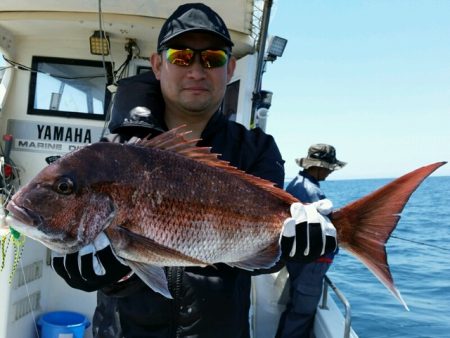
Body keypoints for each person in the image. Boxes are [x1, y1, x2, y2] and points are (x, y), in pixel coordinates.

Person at [51, 3, 337, 337]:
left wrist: (293, 247)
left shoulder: (256, 149)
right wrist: (112, 275)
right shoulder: (116, 150)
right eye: (182, 56)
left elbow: (263, 259)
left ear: (229, 68)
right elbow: (115, 257)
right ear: (158, 65)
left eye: (212, 58)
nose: (197, 70)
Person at [276, 144, 346, 338]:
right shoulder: (313, 192)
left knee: (294, 306)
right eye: (328, 168)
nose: (329, 172)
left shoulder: (297, 183)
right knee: (301, 312)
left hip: (298, 257)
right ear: (318, 166)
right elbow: (321, 232)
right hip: (312, 262)